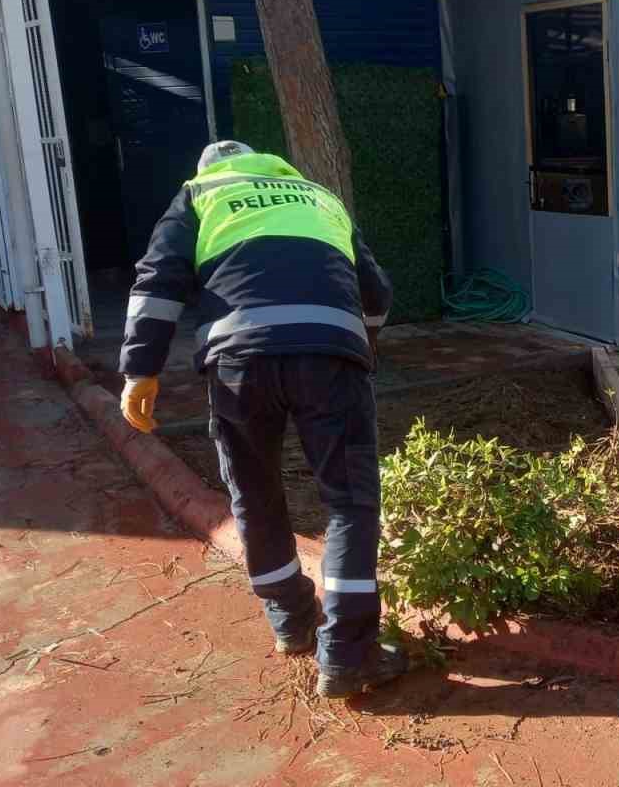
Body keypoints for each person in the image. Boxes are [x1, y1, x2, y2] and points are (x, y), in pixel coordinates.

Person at [118, 141, 407, 699]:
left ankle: (292, 623)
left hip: (238, 364)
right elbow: (377, 292)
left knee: (255, 494)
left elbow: (156, 284)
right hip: (330, 358)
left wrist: (139, 371)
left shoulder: (200, 195)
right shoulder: (320, 197)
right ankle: (348, 656)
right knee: (349, 502)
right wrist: (360, 343)